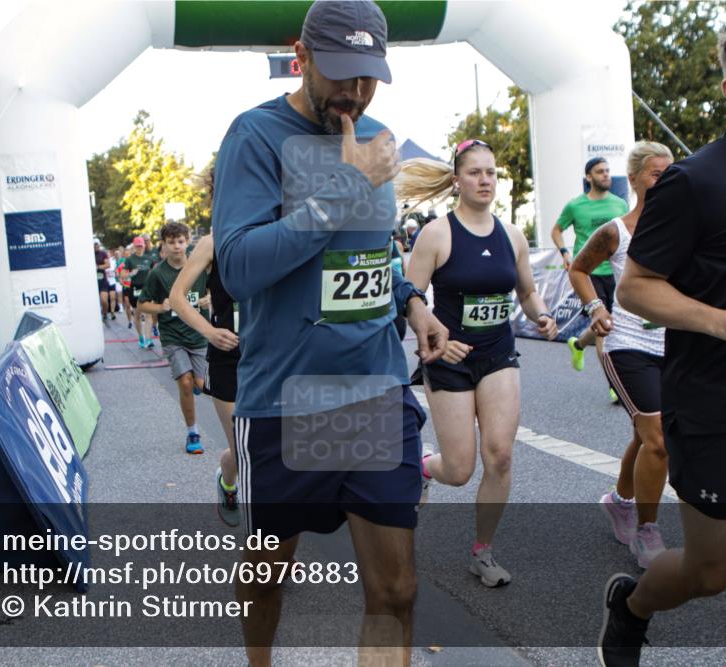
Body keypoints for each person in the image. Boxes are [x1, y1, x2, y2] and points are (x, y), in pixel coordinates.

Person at [213, 2, 448, 663]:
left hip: (375, 390)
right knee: (267, 576)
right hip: (284, 401)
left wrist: (411, 302)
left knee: (396, 590)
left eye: (369, 76)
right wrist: (347, 185)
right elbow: (239, 266)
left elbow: (367, 254)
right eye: (341, 72)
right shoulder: (255, 136)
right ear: (302, 56)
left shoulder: (379, 139)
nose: (355, 91)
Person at [598, 12, 726, 666]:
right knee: (710, 572)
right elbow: (635, 288)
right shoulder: (694, 182)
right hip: (720, 411)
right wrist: (724, 322)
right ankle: (632, 605)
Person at [400, 140, 558, 587]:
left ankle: (482, 552)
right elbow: (409, 298)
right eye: (475, 172)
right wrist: (436, 338)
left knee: (500, 456)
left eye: (491, 172)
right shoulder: (437, 234)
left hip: (497, 355)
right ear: (457, 181)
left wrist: (542, 314)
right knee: (459, 470)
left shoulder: (512, 236)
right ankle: (424, 467)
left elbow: (527, 292)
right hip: (449, 358)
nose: (485, 180)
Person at [567, 141, 674, 569]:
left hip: (674, 346)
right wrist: (596, 307)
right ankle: (647, 532)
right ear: (632, 180)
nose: (664, 181)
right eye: (656, 174)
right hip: (627, 343)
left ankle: (620, 501)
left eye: (670, 174)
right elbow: (578, 269)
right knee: (659, 439)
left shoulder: (684, 229)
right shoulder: (617, 230)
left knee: (645, 436)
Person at [169, 232, 242, 527]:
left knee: (268, 448)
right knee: (244, 450)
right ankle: (228, 479)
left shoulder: (278, 232)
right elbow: (177, 297)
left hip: (271, 356)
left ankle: (273, 537)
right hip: (229, 357)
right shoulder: (213, 242)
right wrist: (209, 332)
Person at [551, 157, 629, 398]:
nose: (605, 175)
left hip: (616, 271)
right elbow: (556, 230)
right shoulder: (575, 206)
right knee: (605, 326)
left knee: (609, 323)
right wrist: (565, 253)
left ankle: (578, 344)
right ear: (589, 177)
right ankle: (614, 384)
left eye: (607, 171)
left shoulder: (620, 204)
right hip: (589, 273)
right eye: (599, 171)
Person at [139, 222, 210, 455]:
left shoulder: (199, 266)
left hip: (199, 334)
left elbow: (215, 290)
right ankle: (193, 433)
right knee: (186, 382)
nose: (177, 246)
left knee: (202, 384)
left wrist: (209, 298)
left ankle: (197, 385)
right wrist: (161, 307)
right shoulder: (158, 274)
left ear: (188, 241)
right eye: (171, 242)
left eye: (181, 241)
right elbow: (142, 305)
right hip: (173, 336)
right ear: (164, 245)